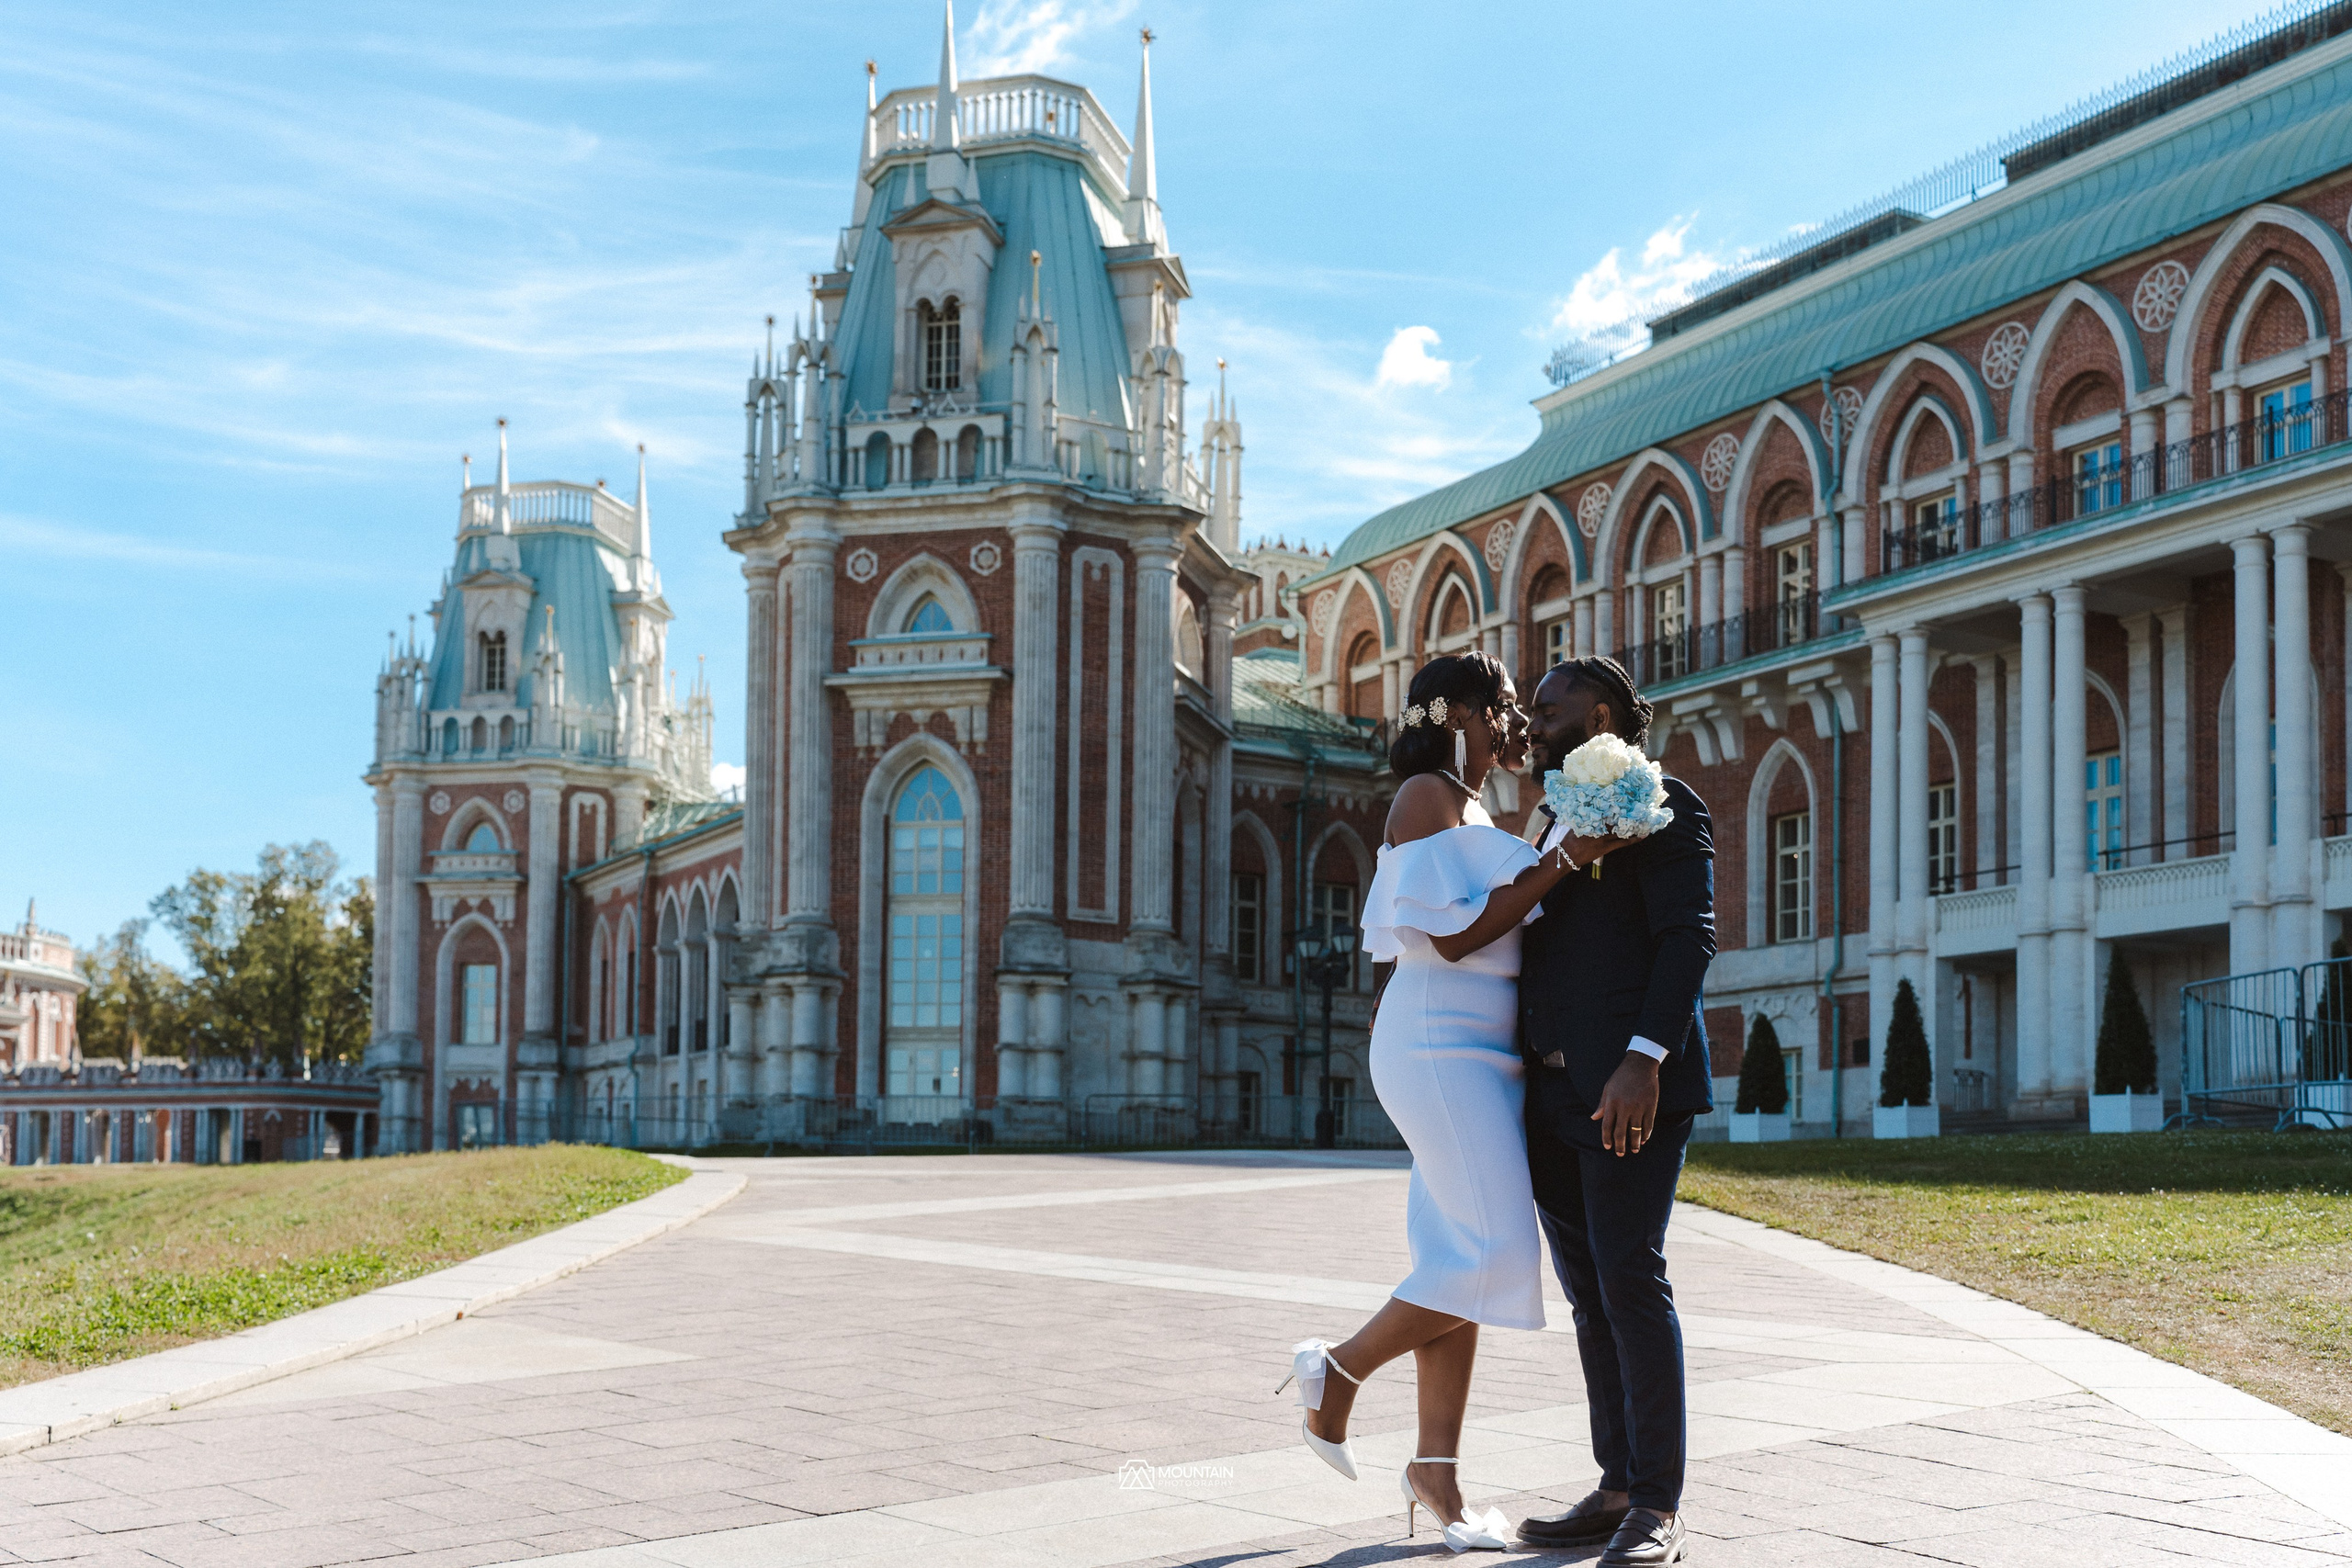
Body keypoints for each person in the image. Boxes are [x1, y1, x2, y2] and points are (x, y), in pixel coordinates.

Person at [1278, 651, 1622, 1553]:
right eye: (1506, 707)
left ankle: (1435, 1471)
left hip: (1483, 1059)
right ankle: (1338, 1371)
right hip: (1434, 1047)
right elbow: (1461, 937)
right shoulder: (1424, 796)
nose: (1519, 724)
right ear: (1461, 714)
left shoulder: (1481, 808)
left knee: (1455, 1256)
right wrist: (1562, 863)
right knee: (1497, 1252)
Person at [1512, 658, 1716, 1568]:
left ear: (1597, 712)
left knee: (1630, 1279)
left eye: (1546, 709)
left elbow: (1688, 936)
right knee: (1589, 1293)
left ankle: (1658, 1506)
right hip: (1549, 1089)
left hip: (1625, 1087)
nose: (1531, 720)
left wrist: (1643, 1060)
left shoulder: (1661, 797)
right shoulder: (1553, 813)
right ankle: (1615, 1485)